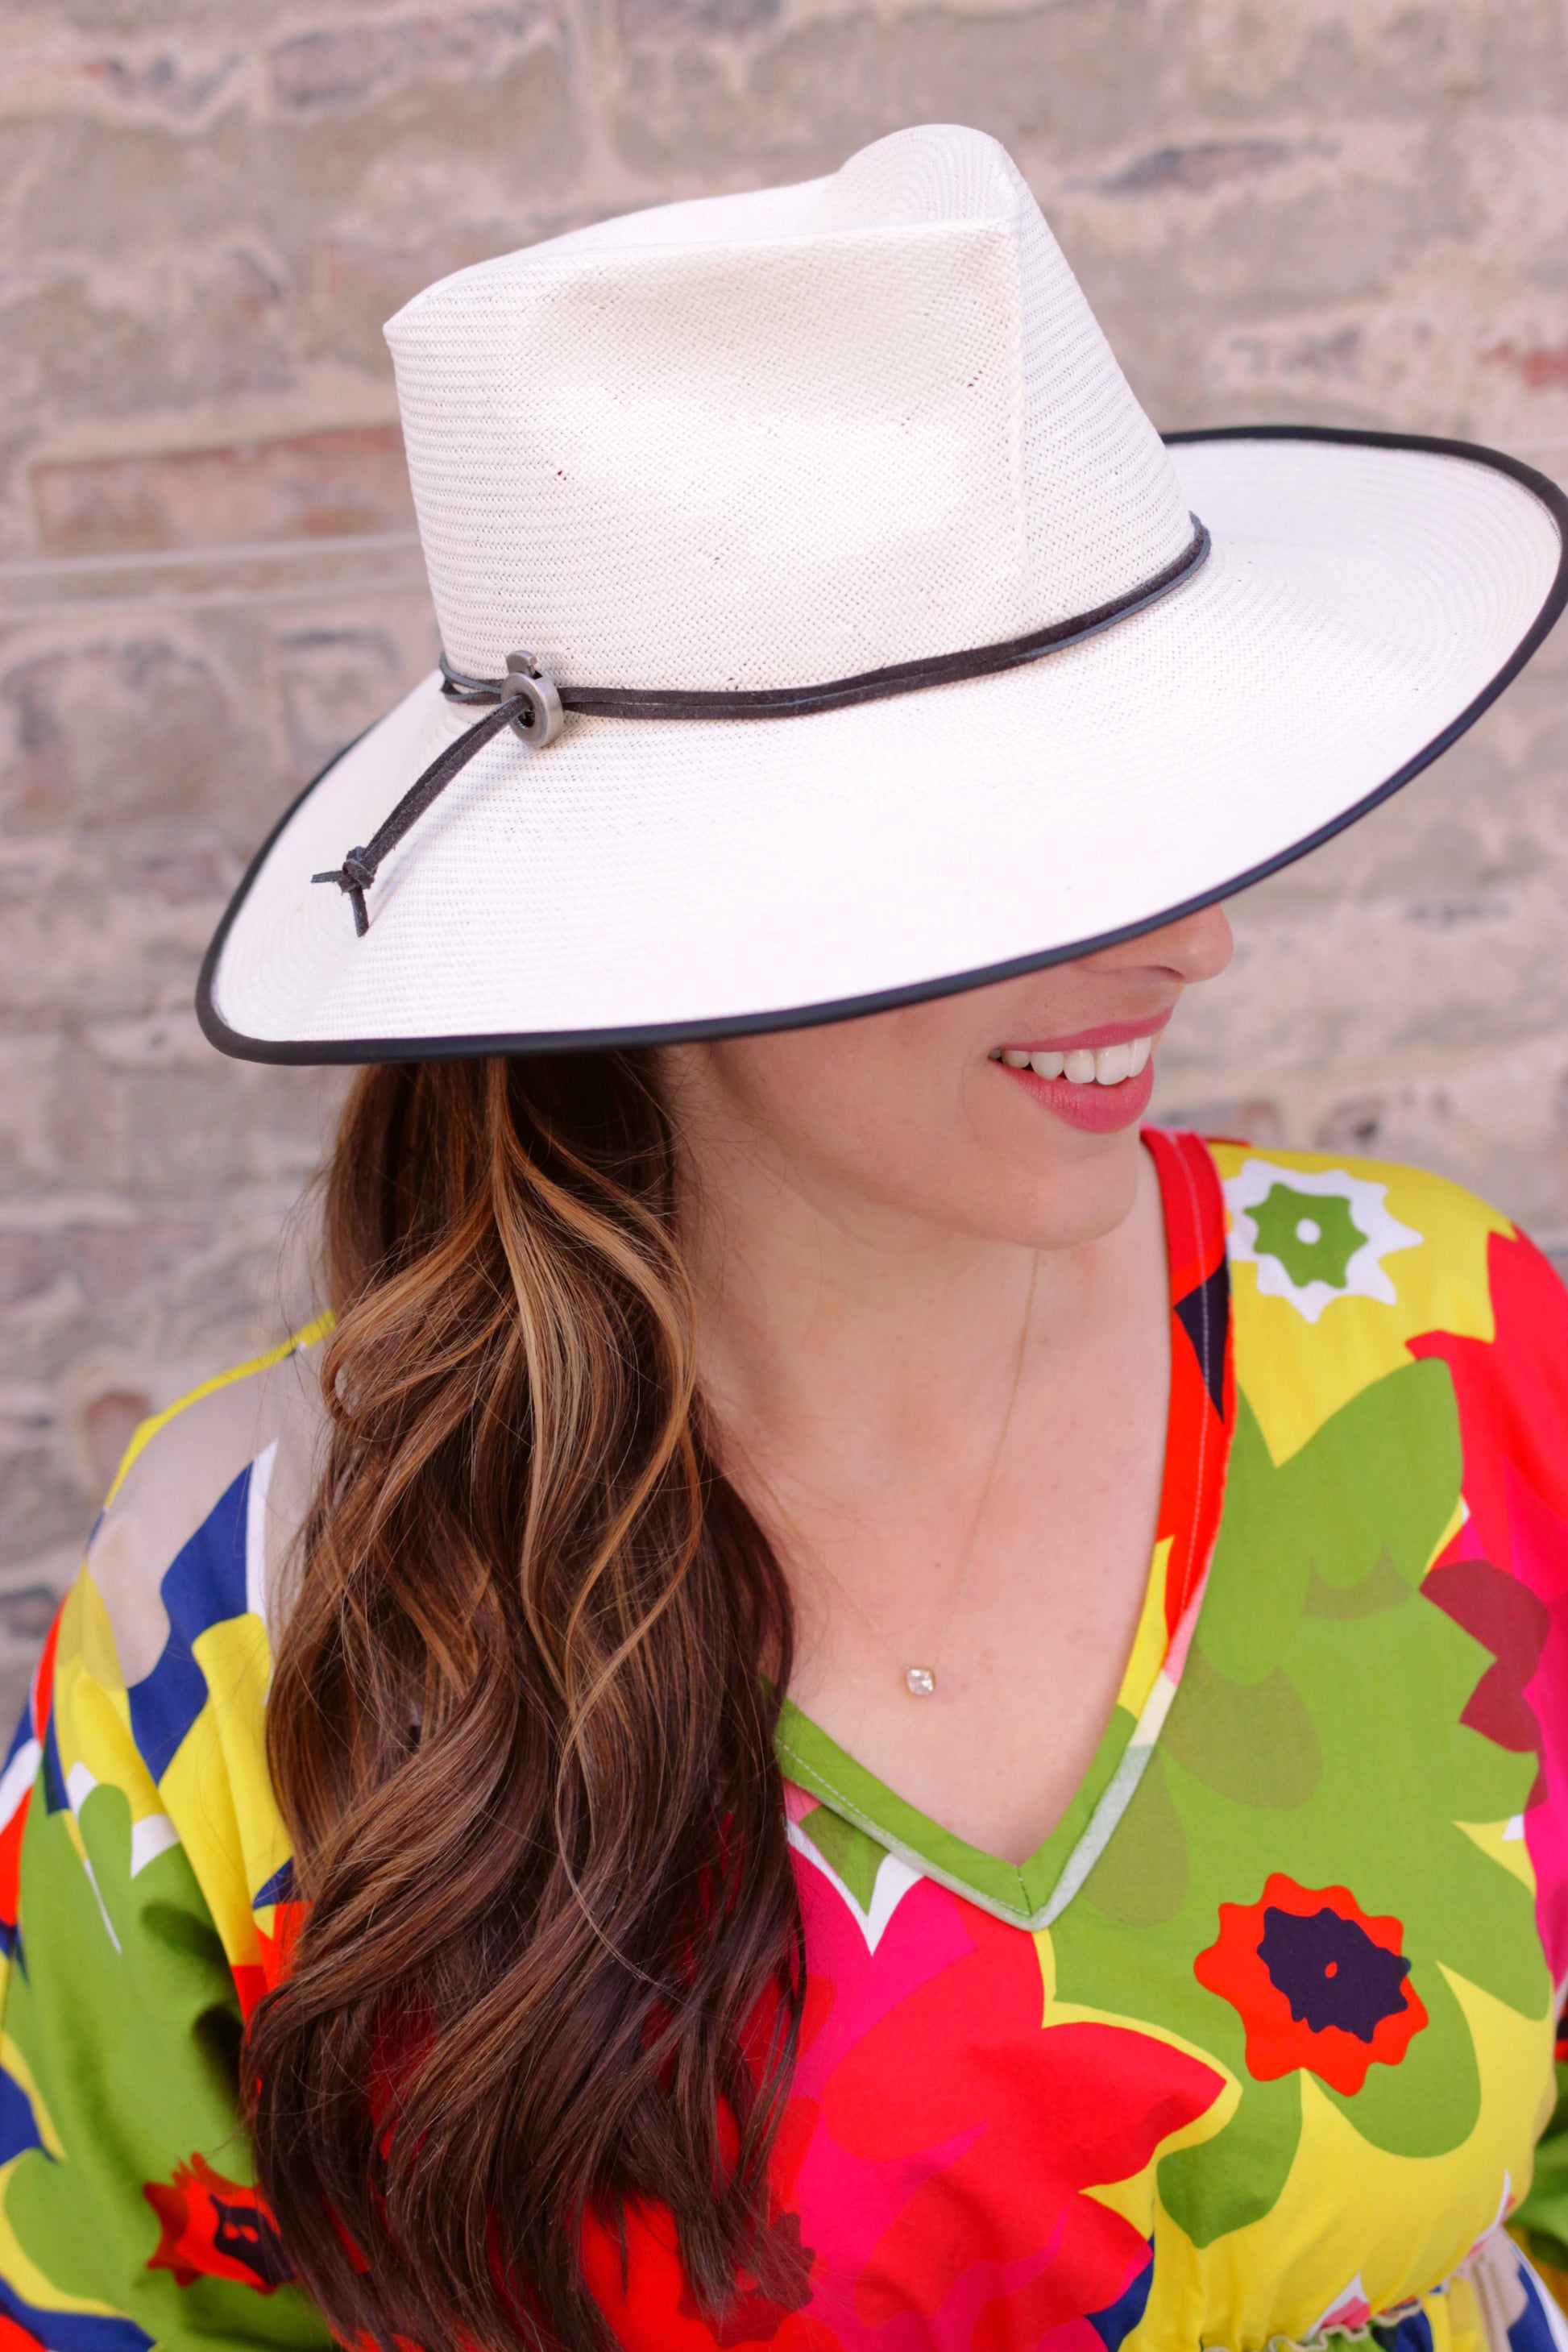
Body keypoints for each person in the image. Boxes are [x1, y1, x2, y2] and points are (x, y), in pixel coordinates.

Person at [2, 120, 1567, 2352]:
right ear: (669, 914)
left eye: (1174, 804)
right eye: (1027, 848)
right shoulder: (258, 1603)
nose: (1194, 941)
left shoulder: (1450, 1352)